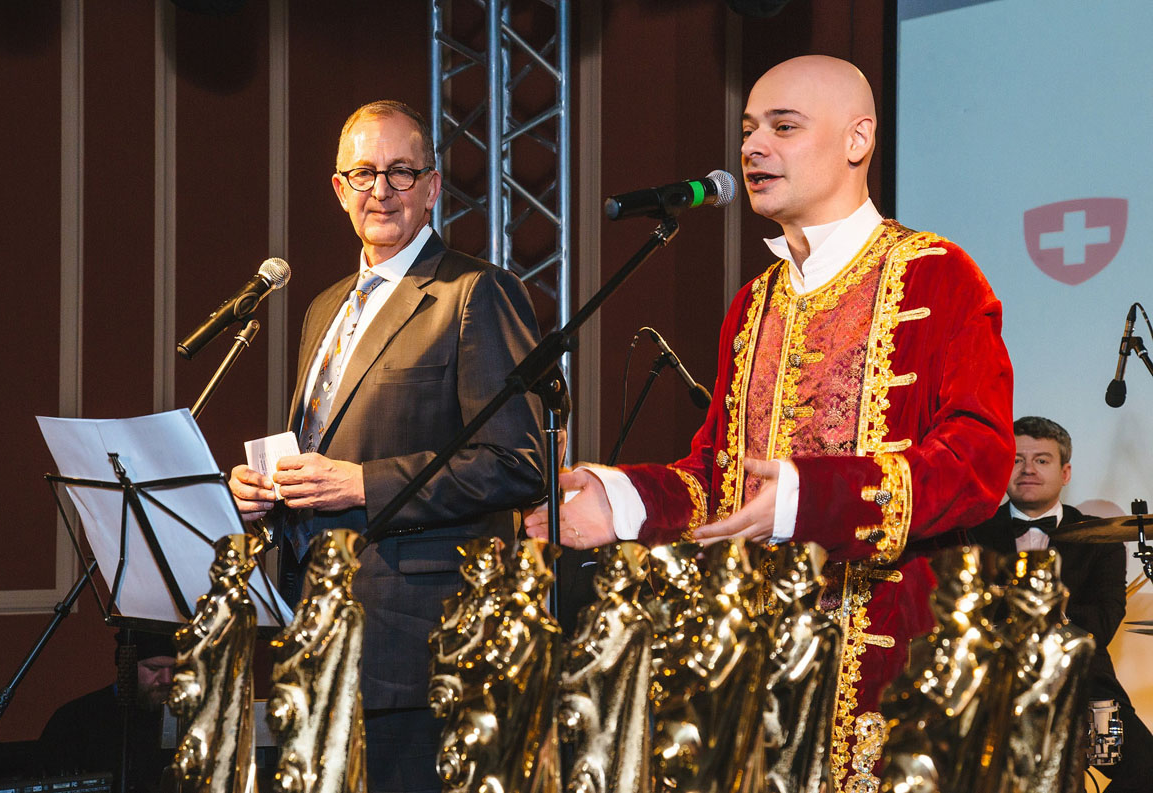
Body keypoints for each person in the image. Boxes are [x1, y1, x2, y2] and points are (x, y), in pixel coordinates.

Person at [524, 55, 1014, 788]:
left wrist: (812, 497)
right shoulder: (754, 303)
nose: (753, 147)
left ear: (857, 140)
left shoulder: (936, 273)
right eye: (749, 129)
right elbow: (717, 475)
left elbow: (979, 459)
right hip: (763, 676)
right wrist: (621, 500)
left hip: (897, 669)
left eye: (783, 127)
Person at [228, 100, 545, 793]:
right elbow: (321, 455)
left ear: (432, 187)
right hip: (314, 636)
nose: (382, 189)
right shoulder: (324, 306)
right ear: (338, 189)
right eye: (364, 173)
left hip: (418, 651)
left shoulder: (475, 293)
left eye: (402, 172)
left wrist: (362, 483)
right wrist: (266, 494)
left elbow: (518, 464)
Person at [970, 416, 1153, 793]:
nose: (1028, 469)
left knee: (1146, 769)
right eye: (1017, 460)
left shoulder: (1102, 539)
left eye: (1042, 460)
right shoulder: (971, 533)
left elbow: (1102, 622)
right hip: (993, 685)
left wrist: (1029, 609)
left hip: (1085, 687)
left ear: (1065, 472)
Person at [38, 631, 176, 792]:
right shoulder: (75, 719)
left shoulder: (183, 717)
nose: (167, 679)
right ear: (127, 667)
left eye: (174, 668)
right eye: (154, 668)